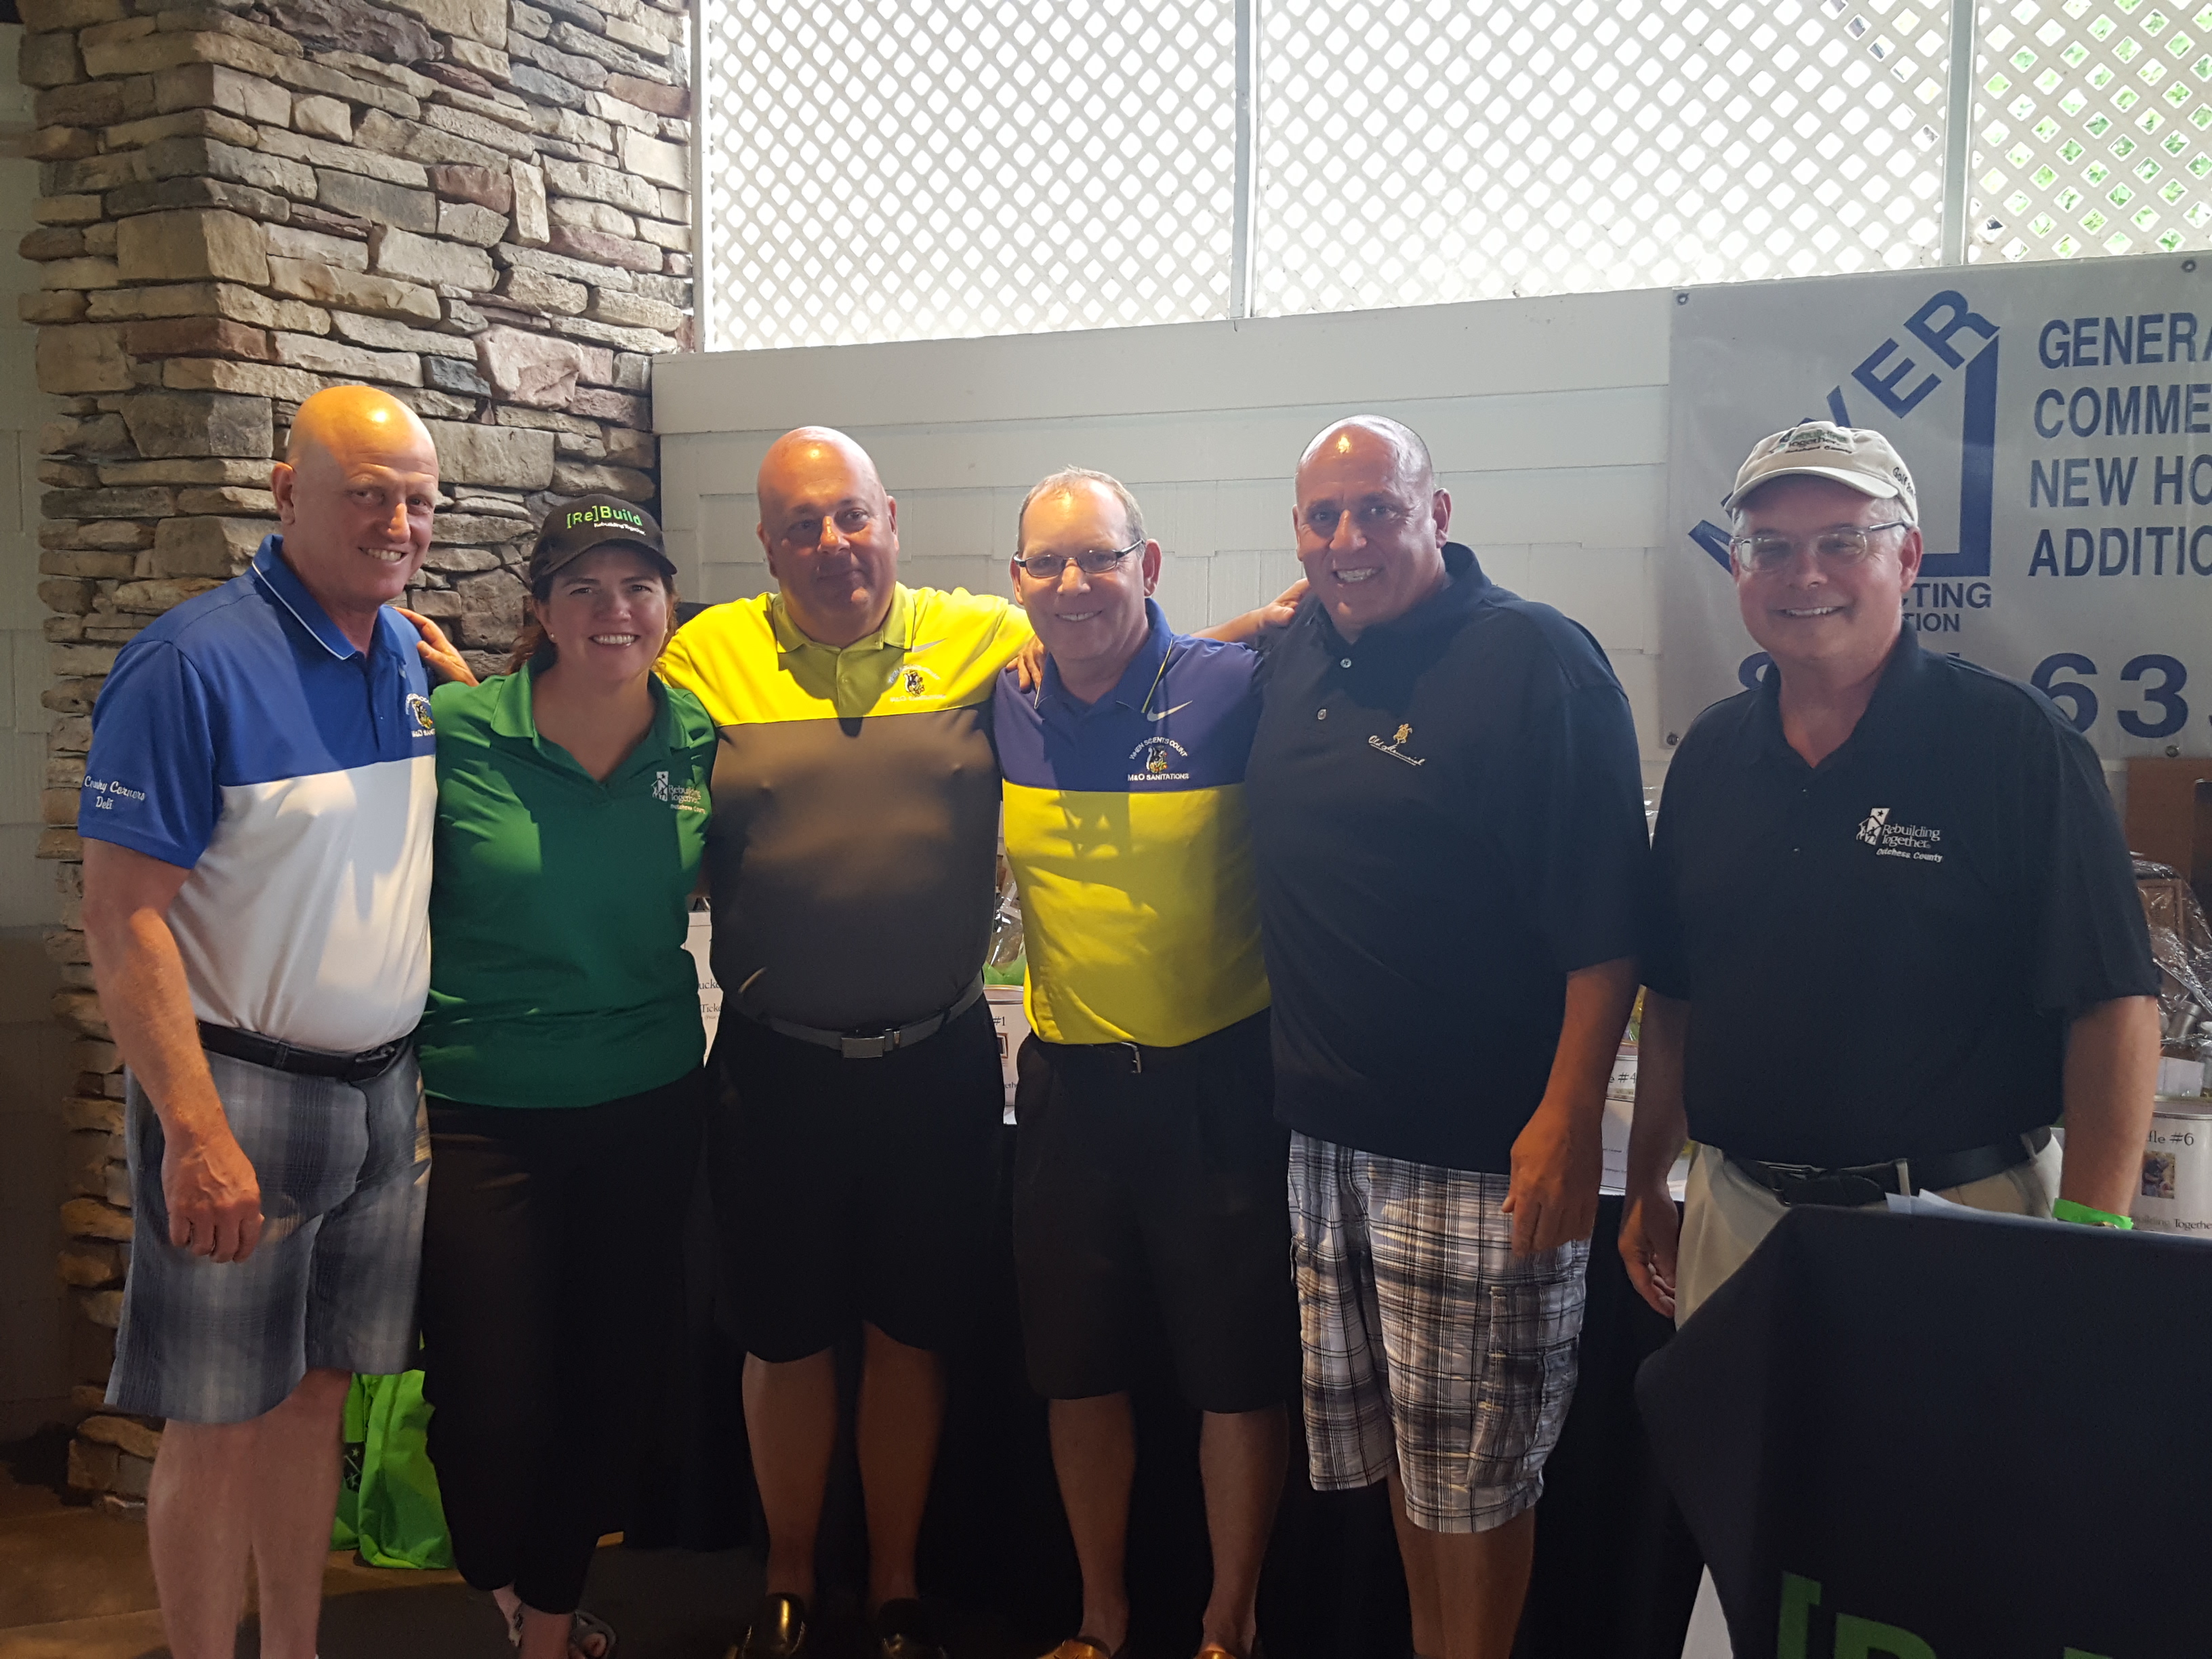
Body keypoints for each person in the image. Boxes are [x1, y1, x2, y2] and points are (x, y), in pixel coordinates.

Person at [657, 428, 1296, 1659]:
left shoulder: (984, 642)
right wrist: (484, 696)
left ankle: (913, 1587)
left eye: (851, 517)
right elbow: (606, 709)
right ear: (764, 542)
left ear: (893, 519)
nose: (833, 544)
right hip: (791, 1064)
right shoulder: (708, 652)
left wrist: (1266, 624)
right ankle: (802, 1583)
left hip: (969, 1062)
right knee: (802, 1339)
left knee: (925, 1335)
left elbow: (1138, 651)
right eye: (803, 524)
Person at [1242, 417, 1649, 1659]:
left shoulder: (1535, 662)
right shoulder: (1300, 645)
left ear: (1440, 512)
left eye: (1380, 509)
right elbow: (1217, 644)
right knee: (1402, 1470)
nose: (1350, 538)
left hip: (1480, 1148)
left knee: (1477, 1475)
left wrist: (1568, 1114)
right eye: (1325, 516)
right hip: (1325, 1141)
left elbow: (1610, 928)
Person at [1617, 422, 2161, 1324]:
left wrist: (2090, 1230)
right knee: (1729, 1470)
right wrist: (1647, 1181)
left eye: (1843, 542)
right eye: (1774, 548)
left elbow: (2114, 1001)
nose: (1807, 574)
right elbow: (1675, 998)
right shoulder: (1710, 755)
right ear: (1739, 570)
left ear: (1907, 558)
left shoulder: (2014, 744)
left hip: (1959, 1223)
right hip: (1737, 1218)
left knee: (1948, 1473)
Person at [76, 386, 449, 1659]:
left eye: (417, 497)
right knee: (219, 1418)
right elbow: (122, 915)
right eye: (367, 492)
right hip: (237, 1094)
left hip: (381, 1095)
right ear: (288, 493)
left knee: (318, 1403)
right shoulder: (190, 663)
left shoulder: (400, 651)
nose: (397, 520)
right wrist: (191, 1130)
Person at [996, 468, 1294, 1659]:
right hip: (1069, 1091)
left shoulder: (1240, 688)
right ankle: (1102, 1621)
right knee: (1077, 1372)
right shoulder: (999, 698)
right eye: (1048, 564)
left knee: (1235, 1377)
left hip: (1220, 1087)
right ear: (1016, 582)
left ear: (1149, 566)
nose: (1074, 586)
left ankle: (1231, 1627)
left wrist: (1258, 620)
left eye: (1100, 559)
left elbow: (1266, 644)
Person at [414, 497, 717, 1659]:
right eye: (582, 588)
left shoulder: (697, 742)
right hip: (484, 1113)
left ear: (667, 608)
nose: (613, 609)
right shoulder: (456, 731)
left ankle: (545, 1626)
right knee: (489, 1403)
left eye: (636, 586)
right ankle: (500, 1573)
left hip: (647, 1102)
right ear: (538, 610)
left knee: (607, 1386)